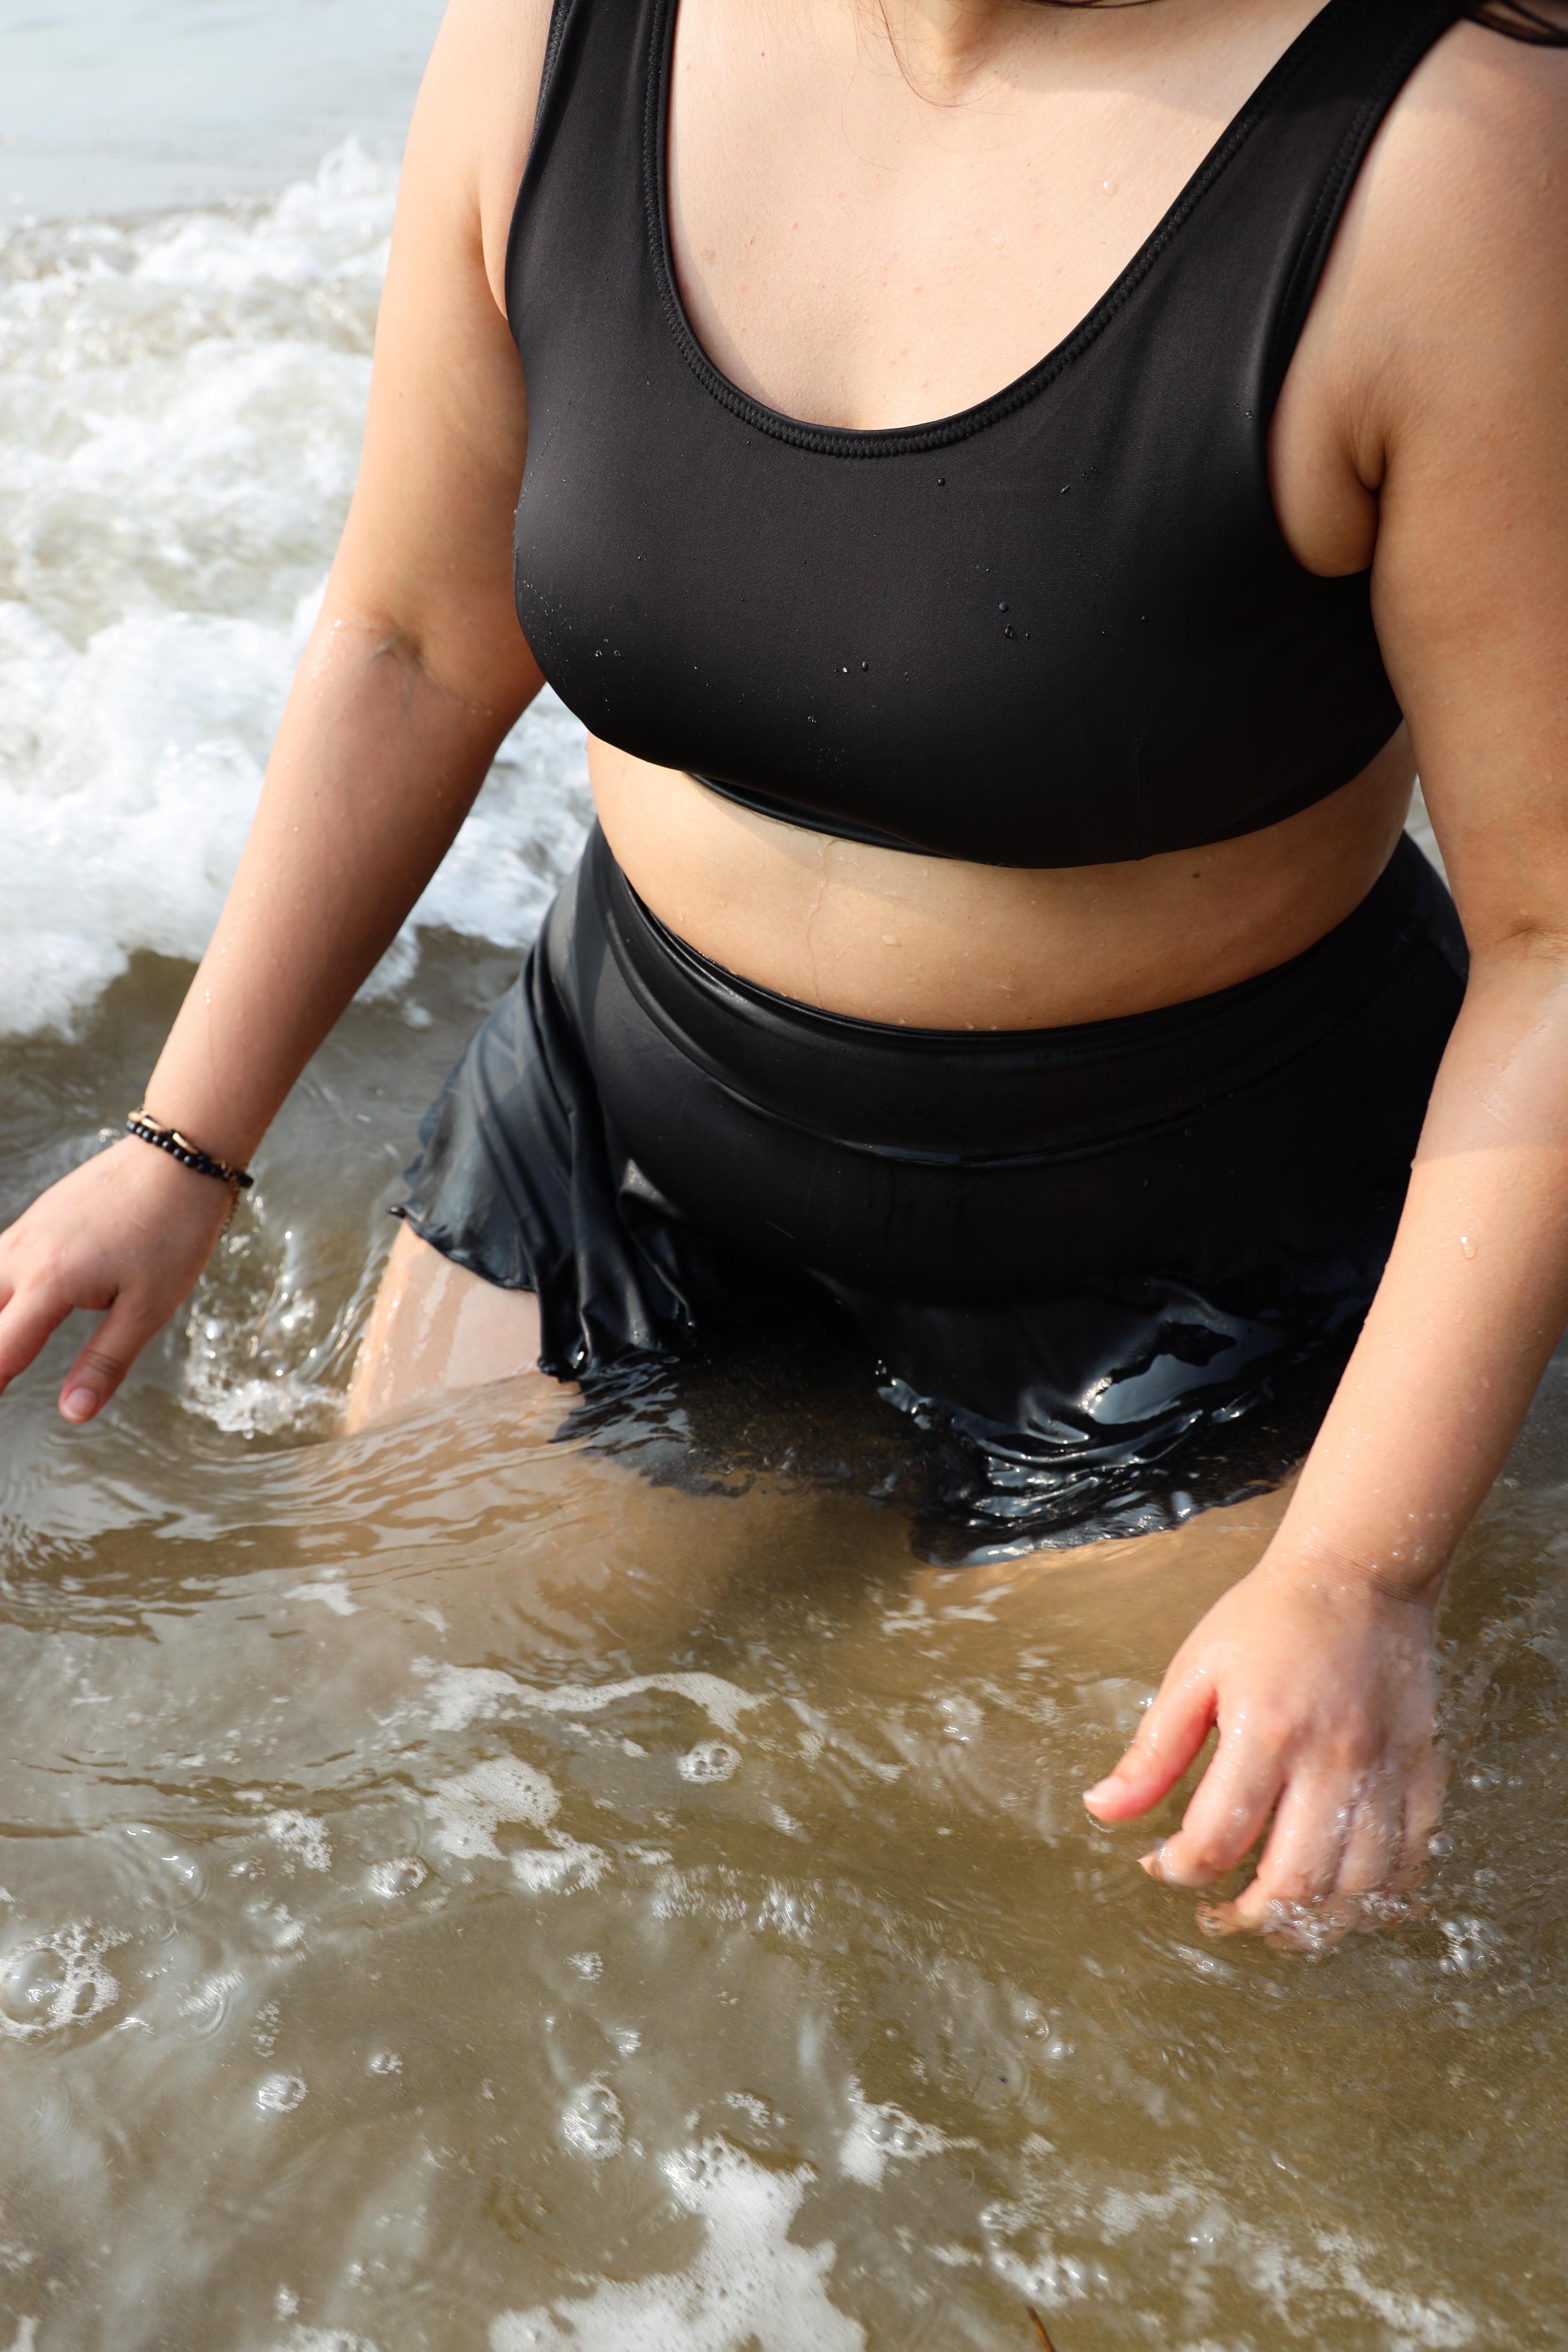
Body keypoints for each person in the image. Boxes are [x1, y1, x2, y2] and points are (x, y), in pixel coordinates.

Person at [1, 0, 1566, 1933]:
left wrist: (1356, 1573)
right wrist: (181, 1143)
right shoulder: (564, 36)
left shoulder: (1448, 157)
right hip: (631, 1134)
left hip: (1198, 1252)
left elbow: (1556, 937)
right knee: (399, 1774)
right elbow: (412, 634)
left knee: (1044, 1928)